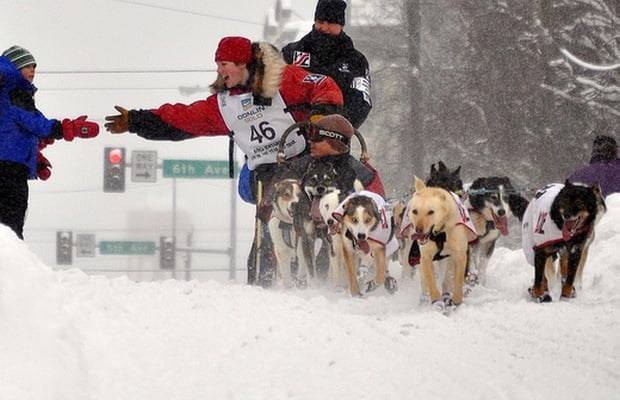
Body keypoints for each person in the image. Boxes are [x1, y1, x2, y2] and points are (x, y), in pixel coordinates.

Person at [104, 36, 344, 285]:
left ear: (242, 63)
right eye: (217, 65)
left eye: (224, 63)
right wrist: (136, 121)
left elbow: (323, 86)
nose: (219, 70)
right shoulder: (224, 104)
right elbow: (183, 119)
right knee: (268, 218)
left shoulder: (283, 80)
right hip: (264, 172)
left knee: (317, 209)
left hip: (304, 160)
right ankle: (263, 280)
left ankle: (325, 266)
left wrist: (321, 117)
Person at [0, 45, 99, 239]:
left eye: (34, 67)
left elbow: (13, 132)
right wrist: (67, 128)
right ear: (14, 68)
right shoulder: (16, 93)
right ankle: (9, 264)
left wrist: (35, 159)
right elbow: (35, 124)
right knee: (10, 229)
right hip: (8, 171)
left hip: (8, 166)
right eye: (27, 66)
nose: (32, 71)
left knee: (7, 224)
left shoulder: (9, 93)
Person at [289, 114, 385, 279]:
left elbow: (379, 210)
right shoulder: (299, 167)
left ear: (335, 142)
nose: (310, 142)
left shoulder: (362, 174)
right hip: (302, 232)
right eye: (310, 137)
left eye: (317, 138)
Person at [282, 0, 372, 129]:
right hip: (291, 135)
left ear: (341, 25)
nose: (324, 28)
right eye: (320, 22)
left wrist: (337, 128)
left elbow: (362, 102)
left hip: (333, 139)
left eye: (330, 23)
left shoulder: (356, 61)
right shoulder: (291, 53)